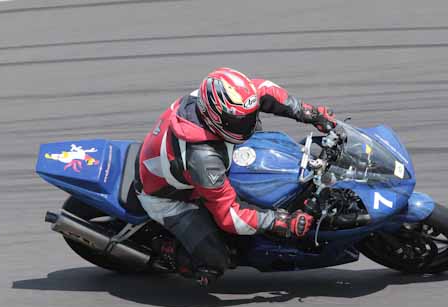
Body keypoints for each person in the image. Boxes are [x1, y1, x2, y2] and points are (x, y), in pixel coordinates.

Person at [136, 67, 336, 284]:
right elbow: (229, 216)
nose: (248, 124)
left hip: (191, 166)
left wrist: (309, 113)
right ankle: (167, 250)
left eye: (250, 116)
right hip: (169, 197)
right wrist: (280, 221)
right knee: (215, 260)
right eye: (240, 121)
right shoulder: (203, 158)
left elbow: (265, 90)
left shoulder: (221, 102)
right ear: (216, 119)